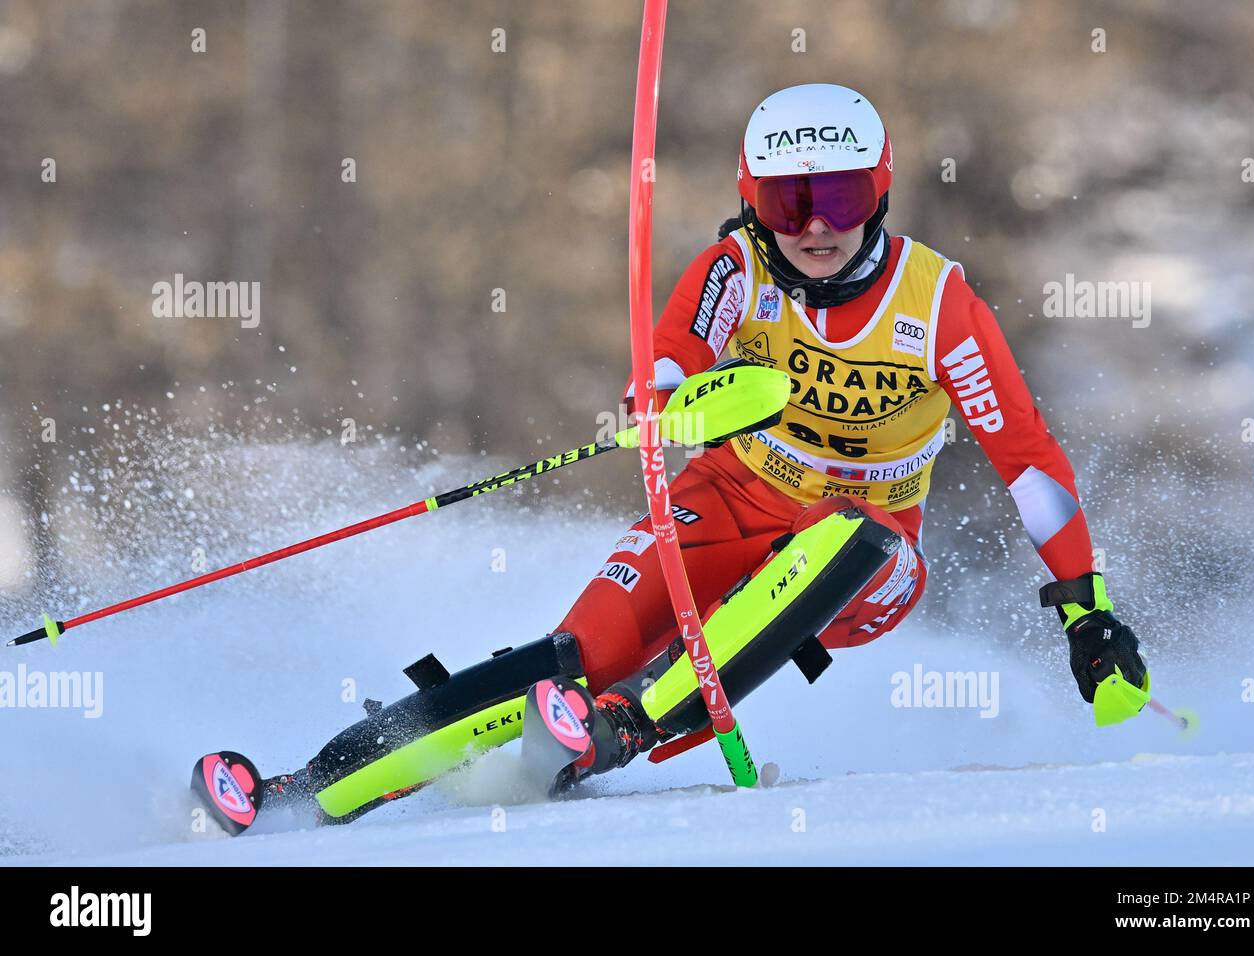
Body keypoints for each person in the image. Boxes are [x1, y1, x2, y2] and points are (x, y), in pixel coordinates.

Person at [260, 83, 1149, 822]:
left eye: (836, 197)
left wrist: (1086, 609)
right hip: (727, 498)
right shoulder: (738, 267)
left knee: (853, 532)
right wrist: (666, 406)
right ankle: (310, 788)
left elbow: (1024, 456)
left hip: (867, 555)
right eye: (785, 202)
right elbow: (669, 362)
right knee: (576, 655)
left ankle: (622, 727)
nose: (813, 227)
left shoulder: (939, 303)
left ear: (879, 190)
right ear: (753, 200)